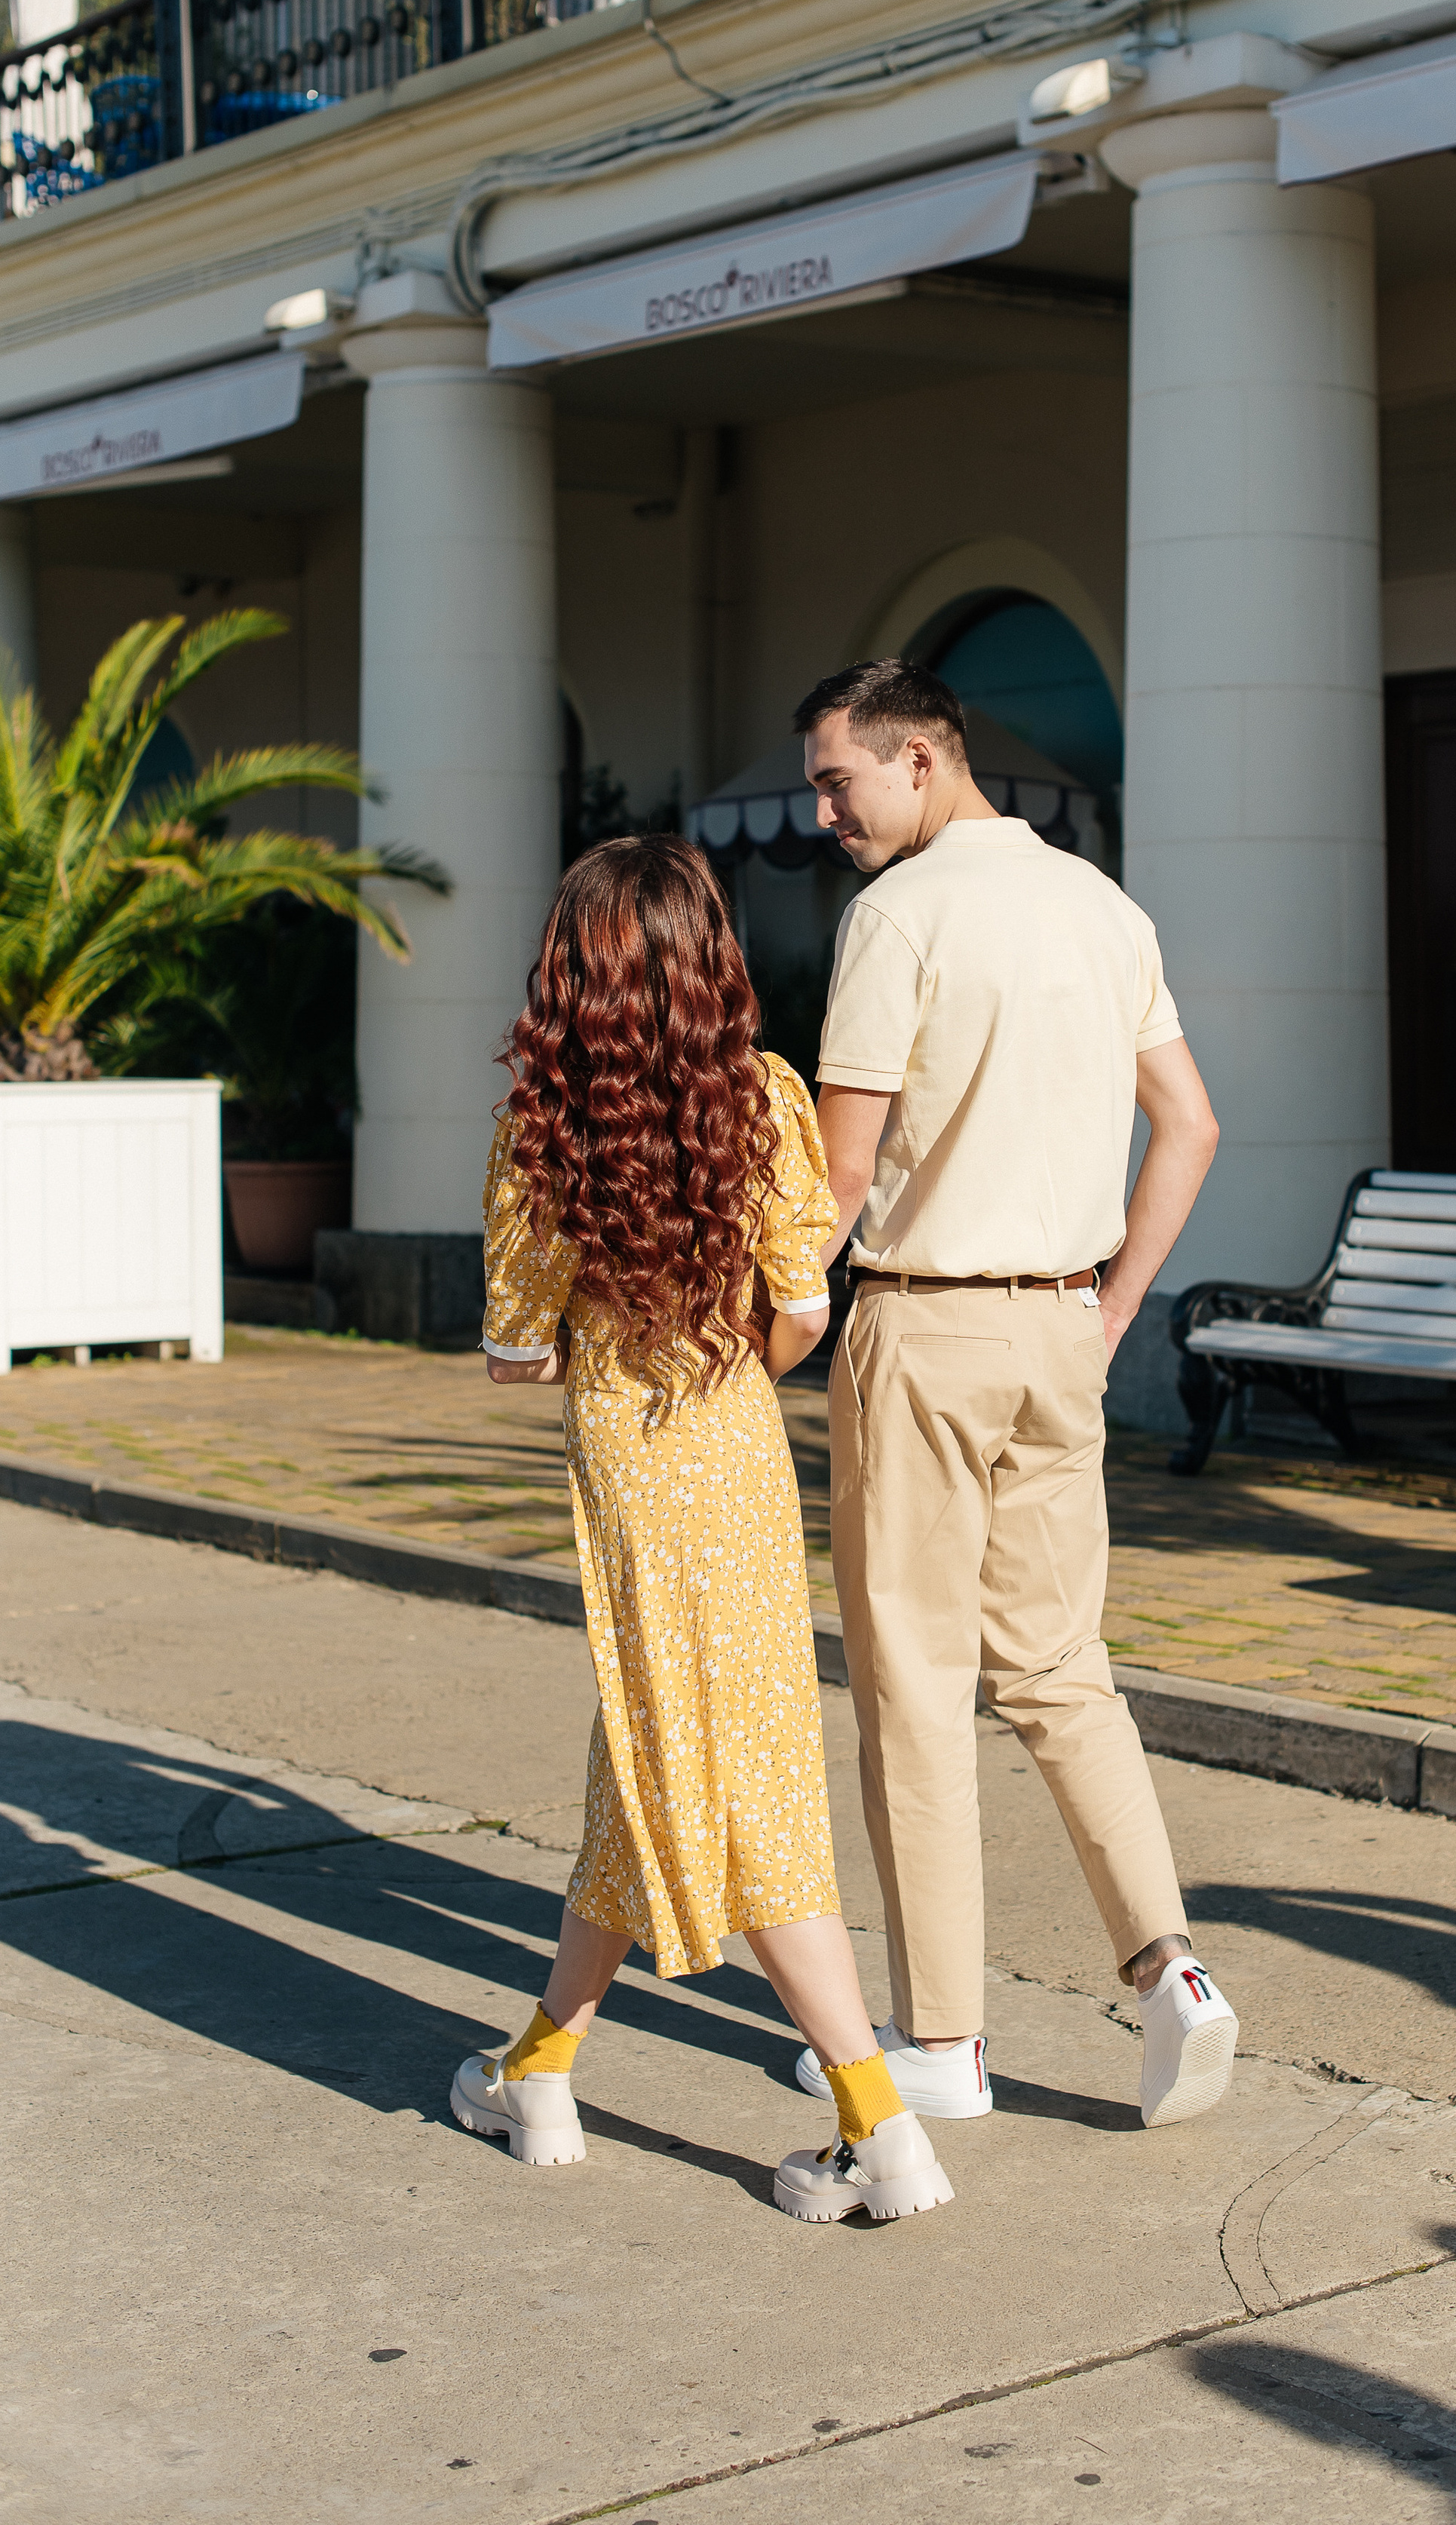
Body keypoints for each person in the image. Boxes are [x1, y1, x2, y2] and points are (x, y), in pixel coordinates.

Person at [449, 835, 954, 2226]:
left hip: (625, 1451)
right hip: (734, 1442)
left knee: (709, 1763)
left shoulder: (544, 1126)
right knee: (677, 1742)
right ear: (708, 960)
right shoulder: (768, 1098)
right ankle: (540, 2064)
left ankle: (883, 2129)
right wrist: (729, 1355)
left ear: (573, 975)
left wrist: (595, 1342)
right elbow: (805, 1302)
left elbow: (513, 1348)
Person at [790, 659, 1237, 2133]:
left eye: (836, 781)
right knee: (1061, 1669)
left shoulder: (896, 918)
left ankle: (942, 2041)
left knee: (913, 1682)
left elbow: (840, 1177)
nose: (823, 812)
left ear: (918, 760)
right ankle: (1169, 1972)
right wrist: (1109, 1309)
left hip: (923, 1329)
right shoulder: (1103, 913)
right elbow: (1189, 1123)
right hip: (1058, 1333)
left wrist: (759, 1322)